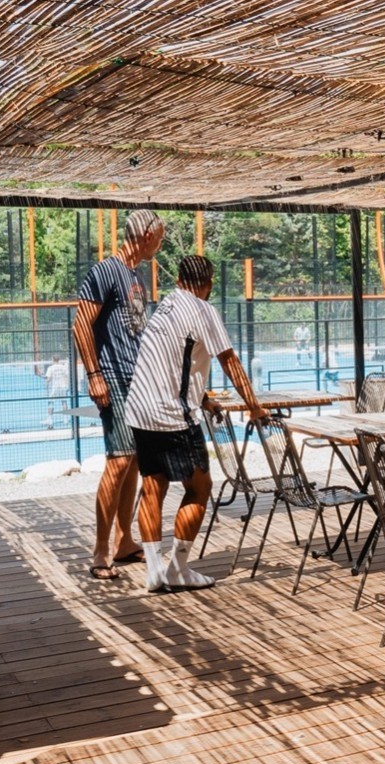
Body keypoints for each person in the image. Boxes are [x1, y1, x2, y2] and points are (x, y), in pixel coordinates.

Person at [125, 255, 268, 592]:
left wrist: (203, 399)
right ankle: (177, 570)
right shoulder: (203, 310)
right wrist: (255, 407)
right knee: (199, 488)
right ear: (208, 284)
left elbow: (171, 363)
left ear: (177, 279)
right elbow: (229, 361)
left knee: (152, 487)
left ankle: (153, 572)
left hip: (140, 409)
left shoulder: (165, 307)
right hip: (172, 416)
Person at [73, 209, 165, 580]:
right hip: (114, 378)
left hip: (138, 380)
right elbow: (81, 323)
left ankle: (124, 541)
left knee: (134, 463)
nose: (161, 243)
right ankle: (100, 551)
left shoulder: (136, 275)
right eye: (159, 236)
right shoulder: (106, 271)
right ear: (144, 234)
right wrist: (94, 375)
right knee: (118, 460)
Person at [43, 355, 70, 429]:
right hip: (63, 387)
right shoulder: (63, 367)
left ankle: (50, 420)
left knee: (51, 402)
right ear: (59, 359)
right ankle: (65, 419)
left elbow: (48, 379)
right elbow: (67, 376)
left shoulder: (50, 368)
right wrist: (67, 385)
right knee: (64, 402)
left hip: (55, 387)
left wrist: (46, 385)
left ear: (52, 359)